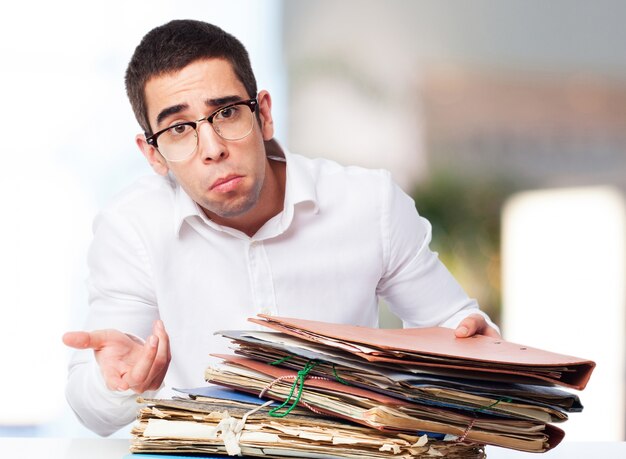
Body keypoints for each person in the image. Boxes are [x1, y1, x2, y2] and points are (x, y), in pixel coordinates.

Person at [62, 19, 500, 437]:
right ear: (153, 154)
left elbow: (455, 330)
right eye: (179, 128)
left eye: (228, 113)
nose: (212, 149)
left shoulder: (370, 204)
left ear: (264, 114)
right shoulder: (131, 227)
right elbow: (93, 411)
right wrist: (120, 384)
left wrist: (472, 349)